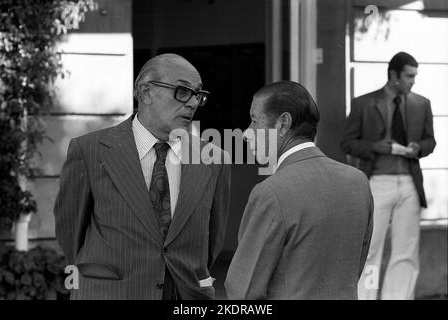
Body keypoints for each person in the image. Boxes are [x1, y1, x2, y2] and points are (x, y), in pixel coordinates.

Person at [54, 53, 231, 300]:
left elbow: (212, 243)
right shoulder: (90, 150)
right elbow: (70, 230)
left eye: (198, 95)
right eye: (183, 91)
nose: (192, 102)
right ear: (145, 92)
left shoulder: (214, 159)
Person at [224, 81, 373, 300]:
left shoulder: (270, 192)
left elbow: (243, 291)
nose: (246, 133)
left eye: (255, 120)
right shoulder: (358, 181)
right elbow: (354, 267)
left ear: (283, 123)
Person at [341, 52, 436, 300]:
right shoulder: (364, 103)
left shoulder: (422, 103)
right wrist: (375, 146)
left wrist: (420, 148)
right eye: (408, 76)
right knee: (370, 249)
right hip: (377, 183)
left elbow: (430, 141)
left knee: (406, 251)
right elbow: (348, 143)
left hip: (409, 184)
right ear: (393, 75)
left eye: (415, 76)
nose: (413, 81)